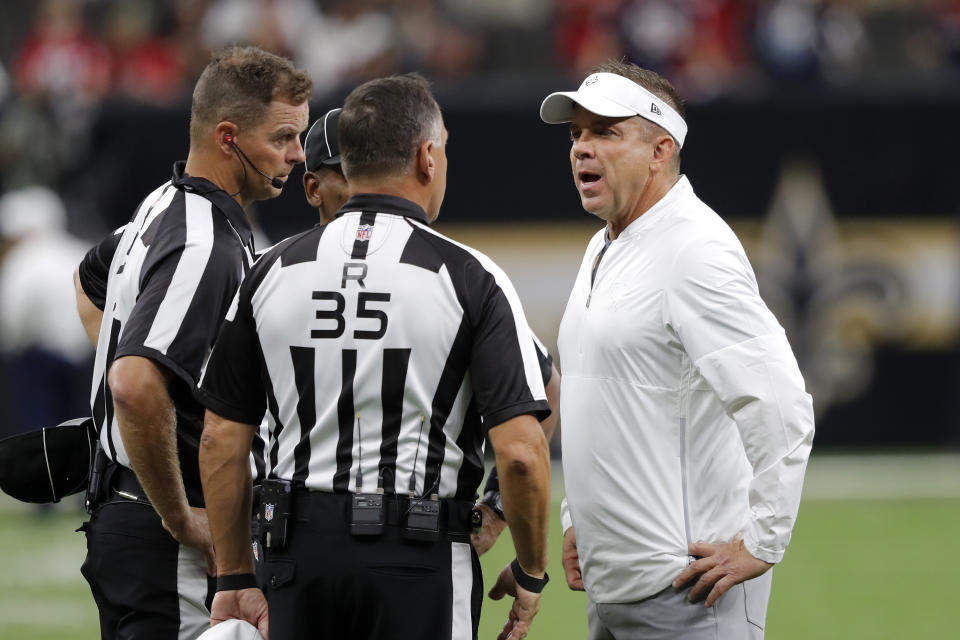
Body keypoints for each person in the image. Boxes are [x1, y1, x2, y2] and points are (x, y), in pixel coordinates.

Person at [197, 73, 552, 640]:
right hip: (420, 555)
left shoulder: (271, 271)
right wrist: (532, 570)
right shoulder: (470, 276)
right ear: (426, 156)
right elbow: (521, 455)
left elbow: (220, 438)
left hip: (296, 555)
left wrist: (235, 572)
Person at [540, 61, 815, 639]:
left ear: (660, 150)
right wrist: (579, 520)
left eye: (606, 133)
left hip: (687, 595)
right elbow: (600, 395)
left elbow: (781, 403)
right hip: (613, 587)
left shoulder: (695, 250)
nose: (582, 149)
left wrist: (763, 540)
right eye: (576, 135)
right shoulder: (604, 246)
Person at [73, 45, 311, 640]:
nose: (298, 155)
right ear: (228, 137)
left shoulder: (164, 204)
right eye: (283, 137)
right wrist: (182, 517)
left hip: (127, 516)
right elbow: (134, 384)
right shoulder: (205, 243)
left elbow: (87, 278)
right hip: (163, 537)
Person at [300, 104, 561, 555]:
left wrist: (497, 510)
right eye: (347, 172)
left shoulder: (451, 275)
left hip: (419, 537)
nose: (363, 183)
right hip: (300, 533)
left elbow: (546, 386)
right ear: (313, 187)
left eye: (370, 167)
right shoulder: (279, 272)